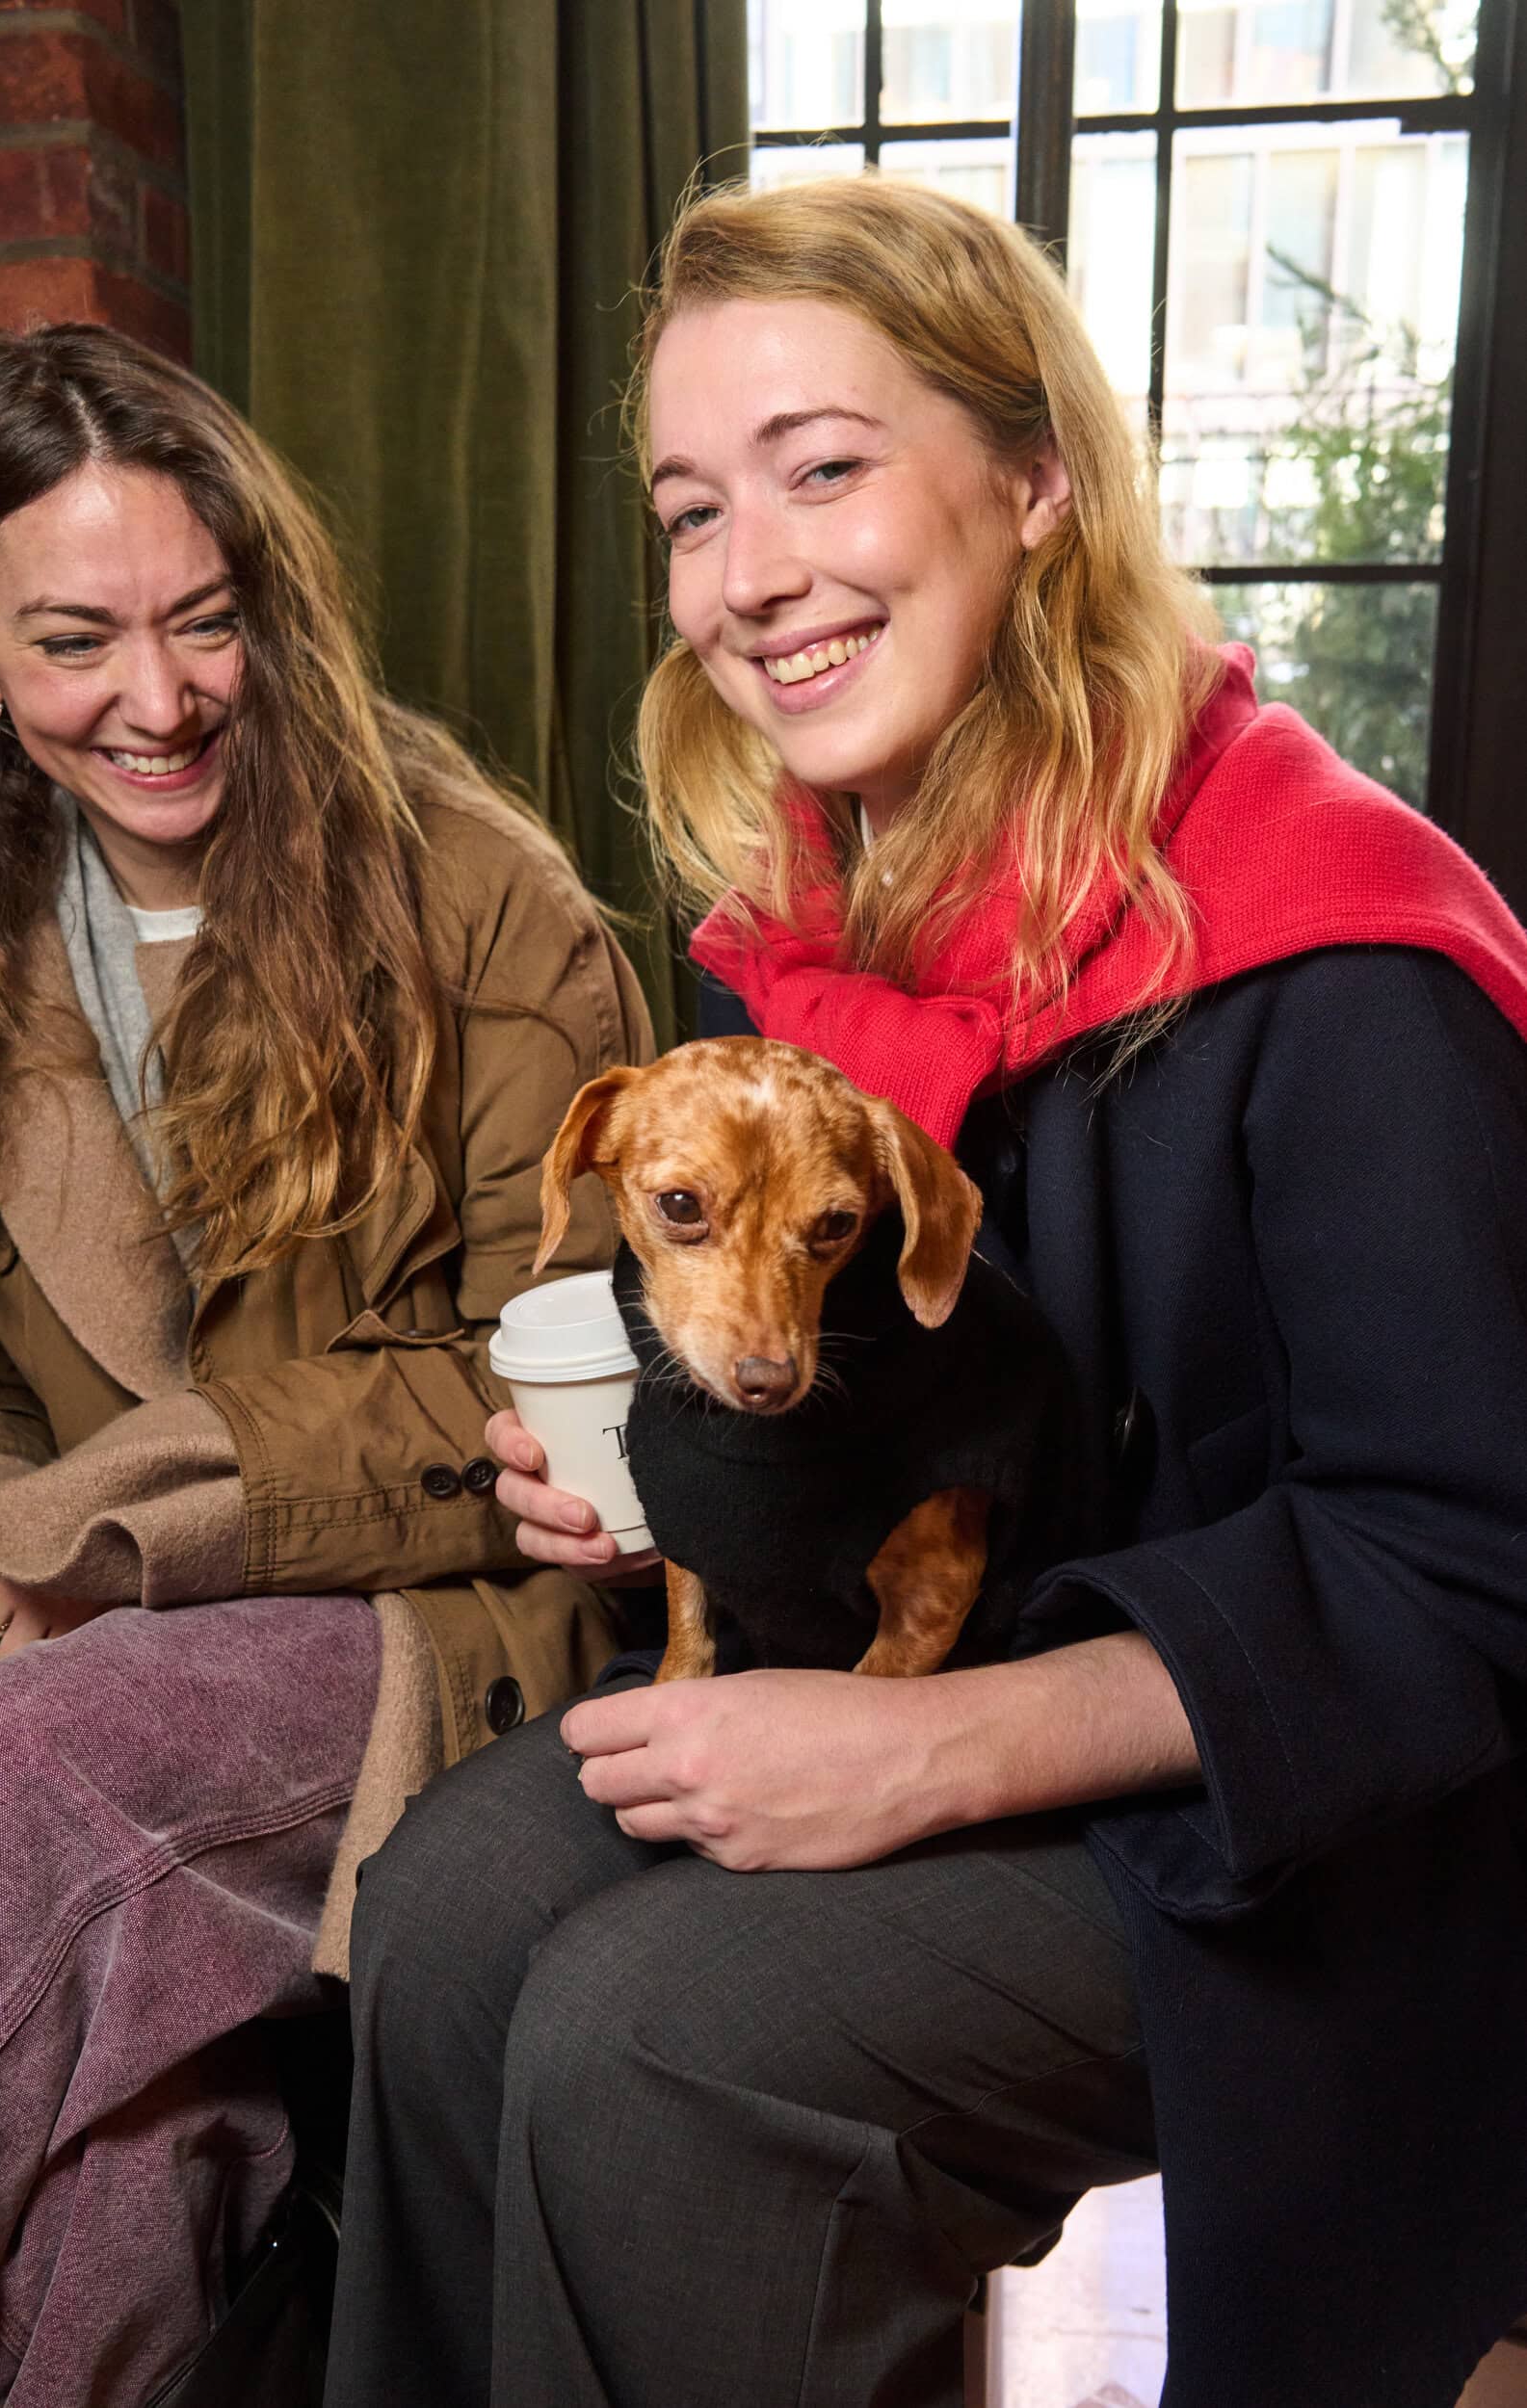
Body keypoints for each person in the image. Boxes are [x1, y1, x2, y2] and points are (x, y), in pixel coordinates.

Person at [324, 177, 1527, 2408]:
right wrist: (661, 1474)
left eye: (821, 466)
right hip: (910, 1647)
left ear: (1034, 479)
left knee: (657, 2042)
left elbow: (1463, 1571)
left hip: (1272, 1810)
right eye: (691, 507)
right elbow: (880, 1404)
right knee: (452, 1918)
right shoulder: (779, 956)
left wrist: (921, 1746)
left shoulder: (1341, 951)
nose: (742, 572)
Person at [0, 321, 651, 2406]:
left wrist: (126, 1530)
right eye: (73, 640)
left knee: (18, 1782)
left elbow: (559, 1381)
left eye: (204, 621)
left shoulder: (480, 899)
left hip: (438, 1603)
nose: (156, 702)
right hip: (70, 1603)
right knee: (130, 2144)